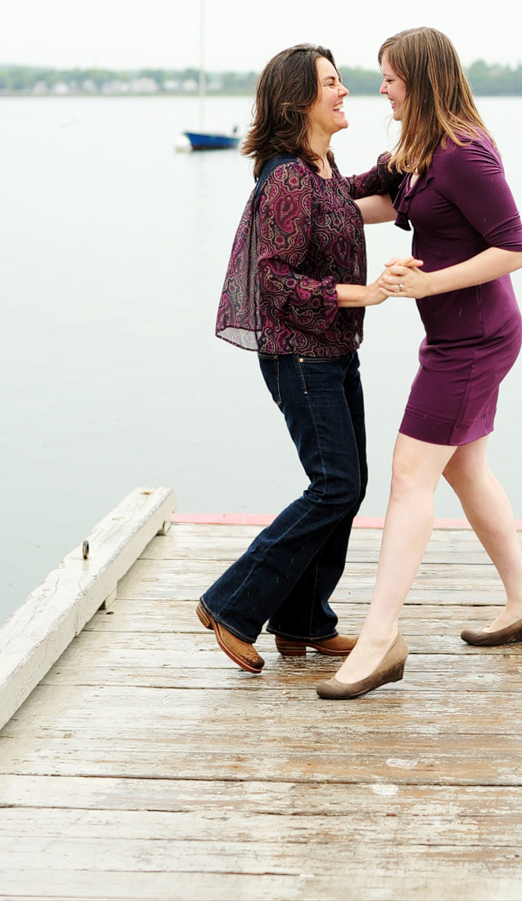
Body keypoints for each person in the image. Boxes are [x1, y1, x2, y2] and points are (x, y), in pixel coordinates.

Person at [316, 27, 522, 700]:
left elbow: (513, 249)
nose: (380, 88)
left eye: (388, 77)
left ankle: (381, 636)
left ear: (417, 80)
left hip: (475, 340)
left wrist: (425, 283)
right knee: (467, 468)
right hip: (457, 337)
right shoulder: (417, 154)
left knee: (408, 476)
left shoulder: (464, 155)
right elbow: (373, 200)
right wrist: (300, 205)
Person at [198, 44, 388, 674]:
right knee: (334, 484)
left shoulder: (323, 173)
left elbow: (358, 194)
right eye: (331, 84)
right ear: (298, 101)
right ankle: (232, 604)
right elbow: (274, 280)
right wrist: (361, 293)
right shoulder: (284, 178)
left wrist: (409, 163)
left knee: (348, 485)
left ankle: (304, 621)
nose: (344, 92)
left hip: (334, 351)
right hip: (299, 356)